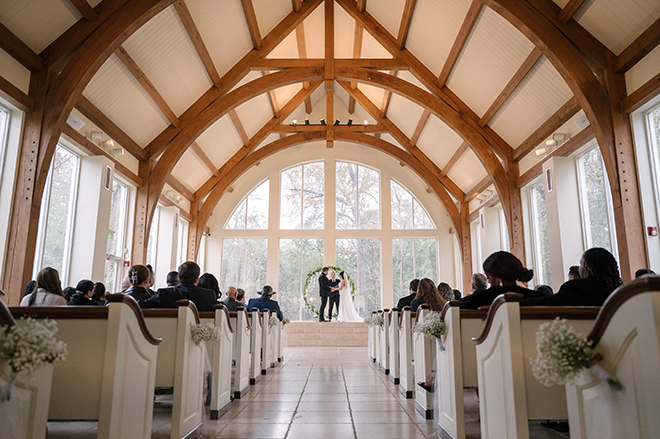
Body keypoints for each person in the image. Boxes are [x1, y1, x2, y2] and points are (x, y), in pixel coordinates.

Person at [521, 248, 622, 307]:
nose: (579, 269)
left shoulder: (577, 288)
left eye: (581, 264)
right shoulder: (620, 290)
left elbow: (552, 302)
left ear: (588, 268)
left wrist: (518, 303)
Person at [460, 251, 543, 309]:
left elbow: (459, 304)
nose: (488, 281)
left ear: (498, 277)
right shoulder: (536, 296)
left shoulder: (485, 297)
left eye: (488, 277)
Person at [139, 261, 216, 311]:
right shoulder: (208, 296)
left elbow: (140, 305)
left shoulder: (164, 294)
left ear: (178, 278)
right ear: (197, 279)